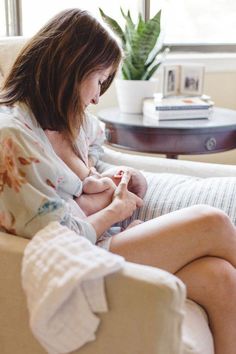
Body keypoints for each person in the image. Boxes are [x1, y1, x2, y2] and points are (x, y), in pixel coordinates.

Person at [0, 9, 236, 354]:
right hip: (75, 259)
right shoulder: (12, 139)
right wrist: (116, 209)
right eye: (99, 80)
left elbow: (97, 175)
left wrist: (118, 180)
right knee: (211, 221)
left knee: (221, 279)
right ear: (71, 67)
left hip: (104, 240)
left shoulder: (74, 123)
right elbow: (58, 236)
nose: (97, 97)